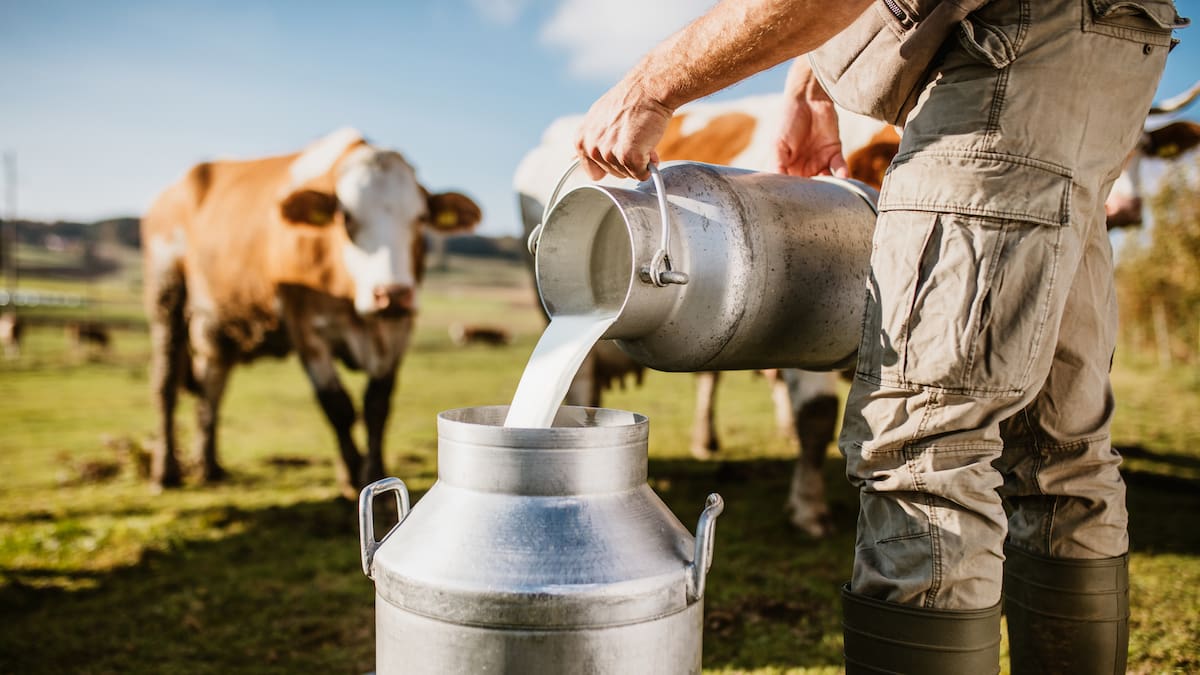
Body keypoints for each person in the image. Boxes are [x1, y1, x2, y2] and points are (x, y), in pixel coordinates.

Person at [573, 0, 1184, 672]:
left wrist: (651, 83)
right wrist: (811, 82)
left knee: (924, 447)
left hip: (1003, 57)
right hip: (1095, 50)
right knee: (1056, 447)